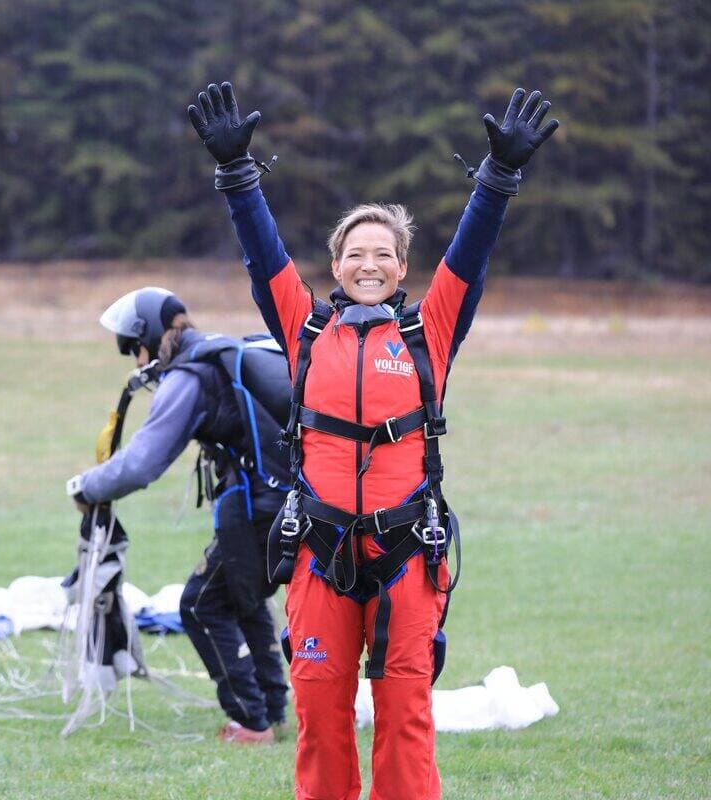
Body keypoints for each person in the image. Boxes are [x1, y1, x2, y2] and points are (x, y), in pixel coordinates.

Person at [188, 83, 559, 798]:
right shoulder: (303, 330)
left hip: (405, 558)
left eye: (382, 254)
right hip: (320, 555)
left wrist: (498, 179)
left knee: (405, 719)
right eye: (355, 252)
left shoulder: (430, 331)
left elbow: (471, 256)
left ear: (401, 268)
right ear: (336, 265)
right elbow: (262, 257)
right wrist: (237, 176)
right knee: (322, 719)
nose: (368, 263)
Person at [66, 287, 290, 744]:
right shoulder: (220, 356)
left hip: (257, 508)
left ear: (148, 338)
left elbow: (143, 463)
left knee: (201, 604)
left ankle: (252, 721)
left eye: (134, 348)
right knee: (243, 599)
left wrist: (86, 486)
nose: (135, 361)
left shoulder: (189, 378)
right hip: (286, 500)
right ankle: (271, 709)